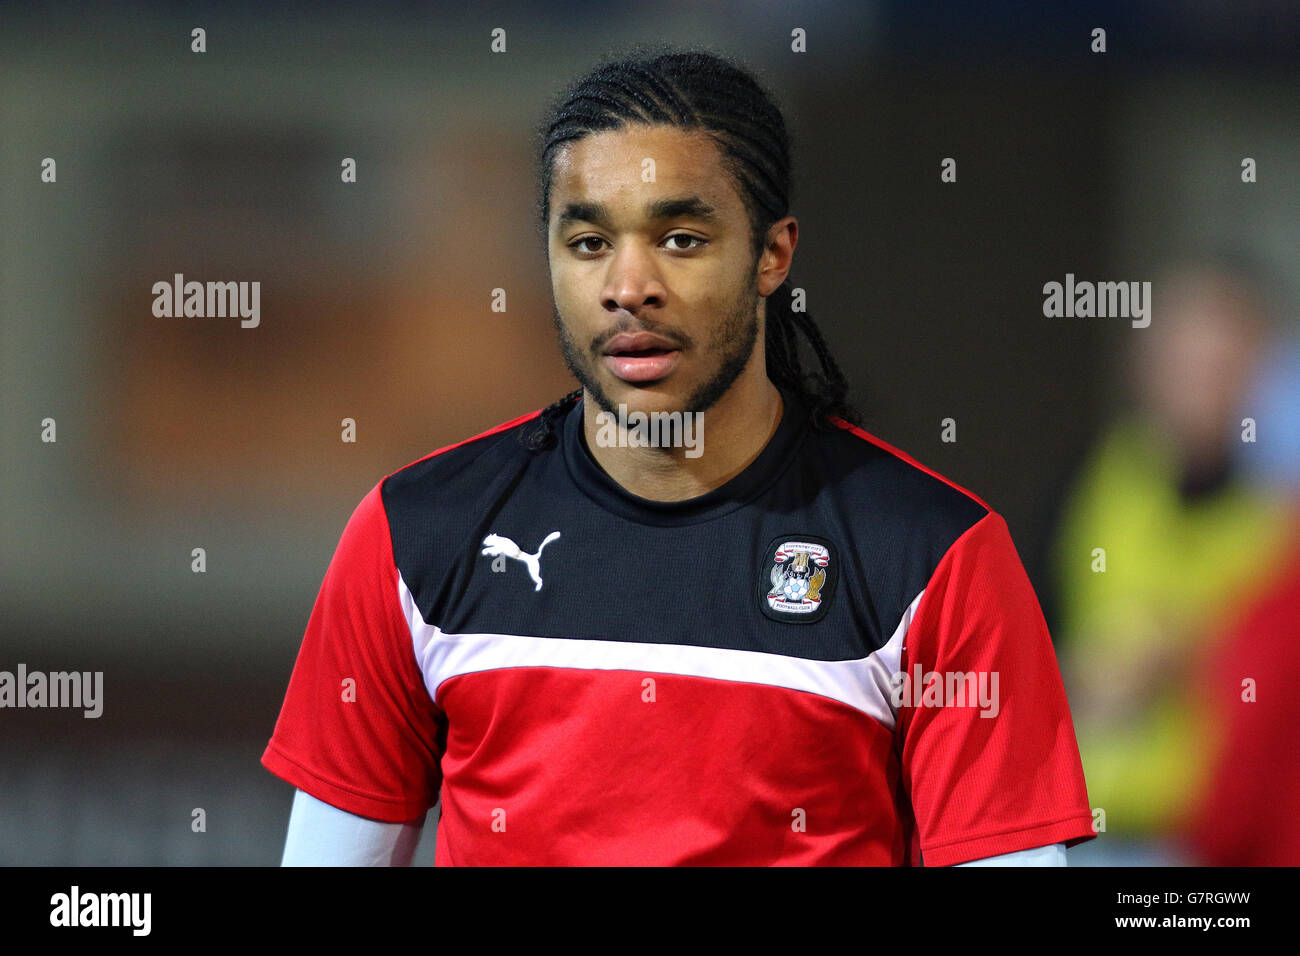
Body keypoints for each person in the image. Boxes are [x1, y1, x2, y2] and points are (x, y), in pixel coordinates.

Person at [262, 47, 1094, 866]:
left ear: (773, 254)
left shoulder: (933, 556)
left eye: (682, 238)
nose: (630, 285)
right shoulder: (412, 535)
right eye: (589, 244)